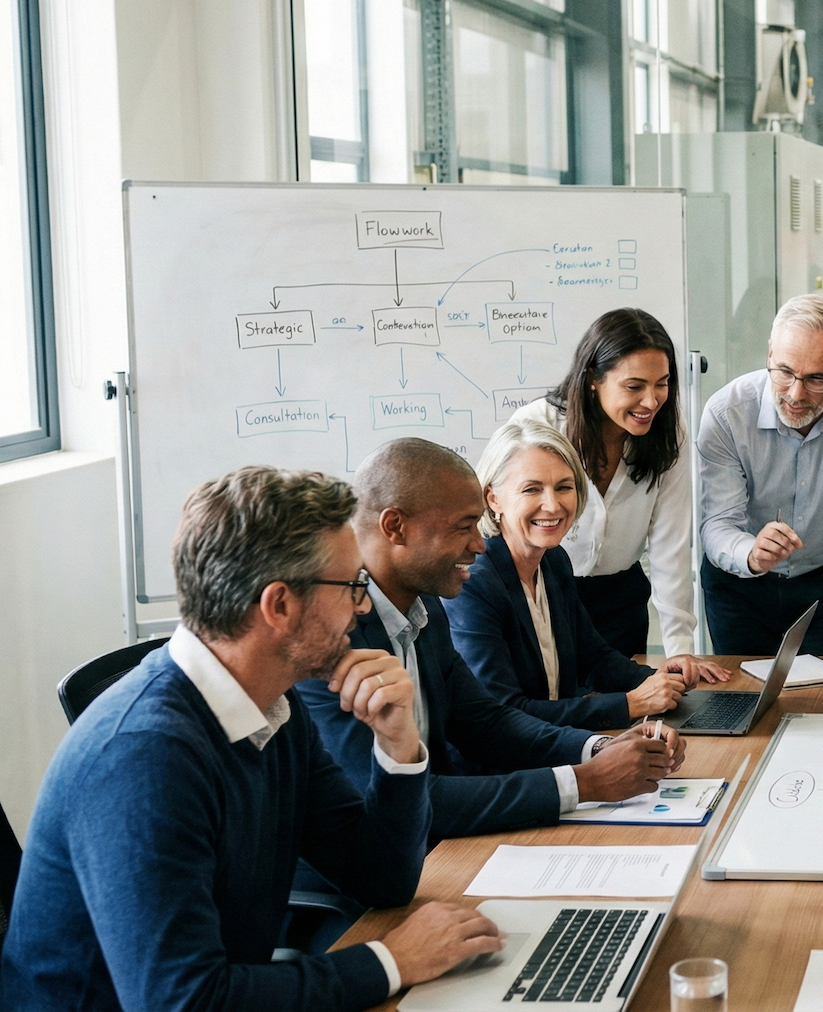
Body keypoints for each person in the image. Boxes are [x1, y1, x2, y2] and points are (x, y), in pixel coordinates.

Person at [0, 467, 502, 1009]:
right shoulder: (144, 757)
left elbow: (381, 880)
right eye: (352, 585)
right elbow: (182, 1002)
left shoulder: (273, 706)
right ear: (279, 606)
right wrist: (393, 960)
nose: (362, 607)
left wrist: (397, 746)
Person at [297, 438, 686, 843]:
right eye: (463, 527)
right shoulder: (329, 642)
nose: (479, 543)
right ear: (395, 526)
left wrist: (598, 747)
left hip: (434, 850)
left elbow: (487, 723)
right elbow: (399, 801)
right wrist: (582, 783)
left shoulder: (424, 605)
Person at [511, 308, 722, 682]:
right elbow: (503, 524)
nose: (651, 401)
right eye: (634, 386)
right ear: (593, 377)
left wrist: (680, 649)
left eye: (662, 383)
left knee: (623, 718)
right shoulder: (538, 426)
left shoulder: (669, 435)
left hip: (621, 600)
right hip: (541, 595)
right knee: (554, 715)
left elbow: (671, 547)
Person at [445, 421, 694, 730]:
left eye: (564, 487)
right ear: (493, 498)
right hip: (504, 767)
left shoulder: (553, 559)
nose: (552, 505)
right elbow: (504, 712)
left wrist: (662, 680)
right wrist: (630, 704)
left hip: (553, 746)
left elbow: (593, 656)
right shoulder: (474, 584)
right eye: (532, 489)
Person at [698, 294, 823, 678]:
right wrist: (751, 552)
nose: (795, 393)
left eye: (817, 379)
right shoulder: (726, 413)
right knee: (743, 703)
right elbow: (716, 525)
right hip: (738, 586)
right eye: (784, 371)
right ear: (770, 353)